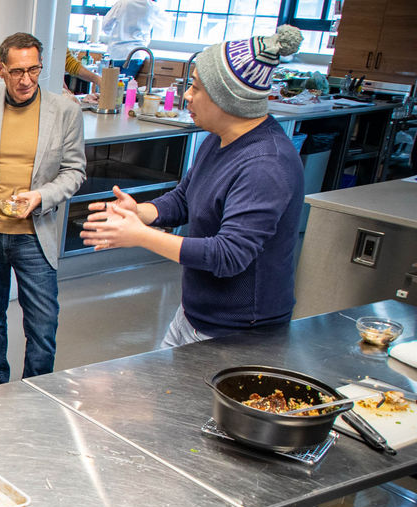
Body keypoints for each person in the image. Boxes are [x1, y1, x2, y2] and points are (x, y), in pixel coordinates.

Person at [81, 26, 305, 348]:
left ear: (227, 99)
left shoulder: (265, 165)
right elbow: (187, 196)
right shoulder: (220, 137)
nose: (187, 95)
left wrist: (141, 236)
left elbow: (229, 255)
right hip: (195, 313)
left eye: (196, 88)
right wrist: (142, 212)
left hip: (239, 331)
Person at [0, 32, 87, 387]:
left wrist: (41, 196)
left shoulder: (65, 111)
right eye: (17, 71)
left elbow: (74, 171)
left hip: (35, 237)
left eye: (34, 70)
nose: (26, 80)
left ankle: (36, 392)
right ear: (1, 69)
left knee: (42, 324)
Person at [101, 0, 167, 80]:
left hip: (116, 52)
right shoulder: (153, 7)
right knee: (124, 90)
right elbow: (164, 26)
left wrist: (111, 33)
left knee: (109, 87)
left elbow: (105, 25)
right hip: (135, 54)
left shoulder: (122, 3)